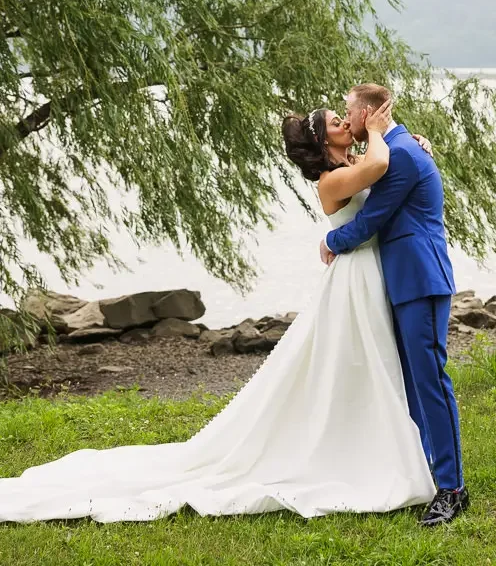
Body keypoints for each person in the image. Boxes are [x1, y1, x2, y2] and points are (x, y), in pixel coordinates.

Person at [0, 101, 436, 524]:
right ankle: (363, 452)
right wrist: (382, 133)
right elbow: (379, 167)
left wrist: (412, 143)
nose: (346, 121)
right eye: (336, 121)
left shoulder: (351, 165)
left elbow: (389, 168)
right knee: (359, 362)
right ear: (324, 141)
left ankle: (381, 445)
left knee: (374, 362)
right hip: (353, 278)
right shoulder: (330, 181)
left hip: (371, 273)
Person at [322, 83, 468, 527]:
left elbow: (372, 218)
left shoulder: (400, 153)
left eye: (350, 110)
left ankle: (453, 489)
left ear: (369, 113)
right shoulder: (396, 147)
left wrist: (331, 240)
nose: (346, 119)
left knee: (430, 380)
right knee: (412, 380)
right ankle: (426, 470)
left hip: (420, 279)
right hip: (403, 280)